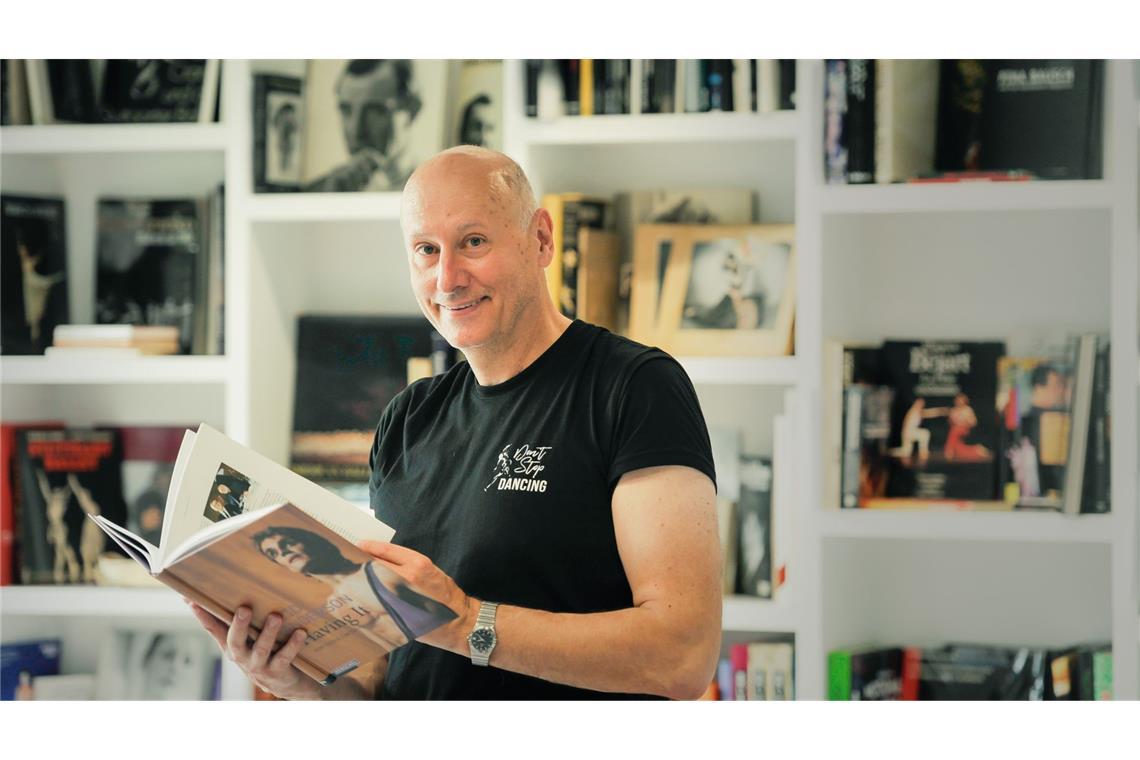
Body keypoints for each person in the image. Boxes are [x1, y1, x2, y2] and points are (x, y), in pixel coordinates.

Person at [188, 145, 721, 700]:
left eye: (473, 242)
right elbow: (390, 676)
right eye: (425, 250)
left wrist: (465, 621)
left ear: (541, 239)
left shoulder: (634, 387)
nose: (448, 278)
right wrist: (301, 682)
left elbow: (682, 655)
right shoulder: (407, 418)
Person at [251, 525, 456, 651]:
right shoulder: (333, 605)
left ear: (311, 542)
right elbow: (384, 653)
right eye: (273, 553)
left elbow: (454, 617)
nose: (283, 551)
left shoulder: (382, 571)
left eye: (287, 543)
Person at [304, 60, 422, 193]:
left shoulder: (434, 192)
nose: (356, 131)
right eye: (346, 110)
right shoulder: (316, 195)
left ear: (412, 109)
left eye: (374, 111)